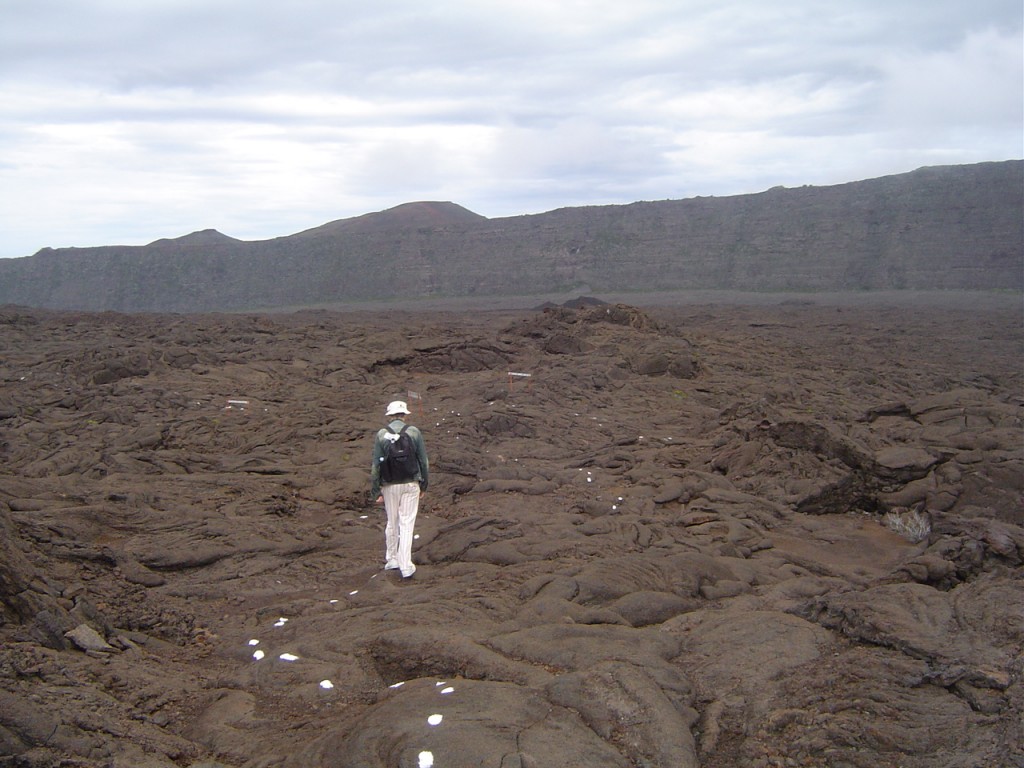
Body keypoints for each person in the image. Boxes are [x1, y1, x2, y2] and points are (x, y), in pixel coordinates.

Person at [369, 400, 429, 579]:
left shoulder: (381, 434)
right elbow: (423, 461)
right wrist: (424, 484)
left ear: (389, 415)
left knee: (391, 521)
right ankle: (406, 565)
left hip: (389, 485)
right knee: (407, 523)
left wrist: (375, 491)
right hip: (411, 484)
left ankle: (392, 559)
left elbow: (375, 466)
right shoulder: (413, 432)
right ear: (404, 415)